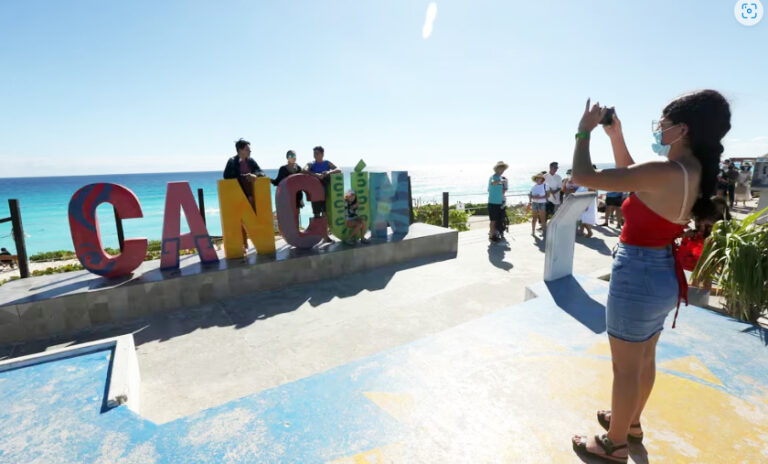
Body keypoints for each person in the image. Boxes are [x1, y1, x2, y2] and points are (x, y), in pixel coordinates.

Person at [570, 90, 731, 462]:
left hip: (638, 274)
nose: (660, 128)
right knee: (644, 358)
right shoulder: (691, 171)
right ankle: (632, 422)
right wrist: (615, 136)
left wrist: (583, 132)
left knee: (624, 367)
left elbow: (583, 175)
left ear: (682, 129)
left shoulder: (664, 172)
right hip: (661, 274)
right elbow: (633, 178)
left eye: (664, 123)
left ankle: (614, 444)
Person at [223, 138, 266, 252]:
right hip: (238, 195)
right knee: (240, 220)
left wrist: (254, 175)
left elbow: (261, 172)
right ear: (240, 150)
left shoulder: (251, 161)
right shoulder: (232, 161)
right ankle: (243, 244)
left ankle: (260, 242)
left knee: (253, 217)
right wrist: (244, 176)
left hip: (251, 195)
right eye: (247, 150)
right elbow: (227, 177)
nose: (250, 152)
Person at [304, 146, 340, 244]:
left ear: (322, 154)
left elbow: (338, 169)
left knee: (325, 215)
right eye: (314, 153)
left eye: (317, 153)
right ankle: (315, 236)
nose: (315, 155)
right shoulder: (311, 163)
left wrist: (328, 172)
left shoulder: (327, 163)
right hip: (314, 195)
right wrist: (317, 175)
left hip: (325, 194)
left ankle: (325, 236)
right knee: (316, 215)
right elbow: (304, 170)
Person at [272, 150, 304, 216]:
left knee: (296, 216)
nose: (293, 157)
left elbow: (302, 183)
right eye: (291, 156)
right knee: (287, 216)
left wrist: (301, 199)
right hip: (286, 196)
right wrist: (268, 180)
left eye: (294, 156)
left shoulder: (298, 168)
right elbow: (277, 182)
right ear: (287, 157)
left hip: (297, 197)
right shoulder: (282, 169)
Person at [487, 161, 508, 242]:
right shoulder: (494, 177)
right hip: (493, 203)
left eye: (503, 169)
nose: (502, 170)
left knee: (496, 220)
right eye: (500, 168)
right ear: (496, 169)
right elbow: (493, 183)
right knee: (493, 221)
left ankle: (494, 235)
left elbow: (490, 189)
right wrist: (500, 182)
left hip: (499, 202)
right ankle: (491, 236)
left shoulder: (500, 178)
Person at [529, 172, 548, 236]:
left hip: (542, 203)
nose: (538, 179)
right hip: (534, 203)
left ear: (542, 179)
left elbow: (548, 195)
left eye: (539, 178)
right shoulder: (533, 186)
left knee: (543, 218)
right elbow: (530, 195)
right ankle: (533, 231)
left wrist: (539, 197)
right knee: (534, 218)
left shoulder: (545, 185)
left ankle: (544, 232)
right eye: (537, 178)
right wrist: (534, 198)